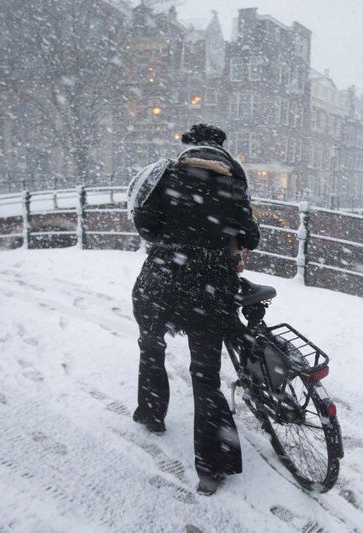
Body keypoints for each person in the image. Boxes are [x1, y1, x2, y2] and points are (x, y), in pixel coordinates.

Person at [129, 123, 260, 495]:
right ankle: (212, 466)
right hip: (211, 285)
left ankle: (152, 414)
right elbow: (251, 236)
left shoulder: (165, 176)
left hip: (164, 278)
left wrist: (172, 242)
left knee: (151, 347)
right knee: (206, 375)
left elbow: (144, 224)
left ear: (187, 147)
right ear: (221, 148)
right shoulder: (232, 183)